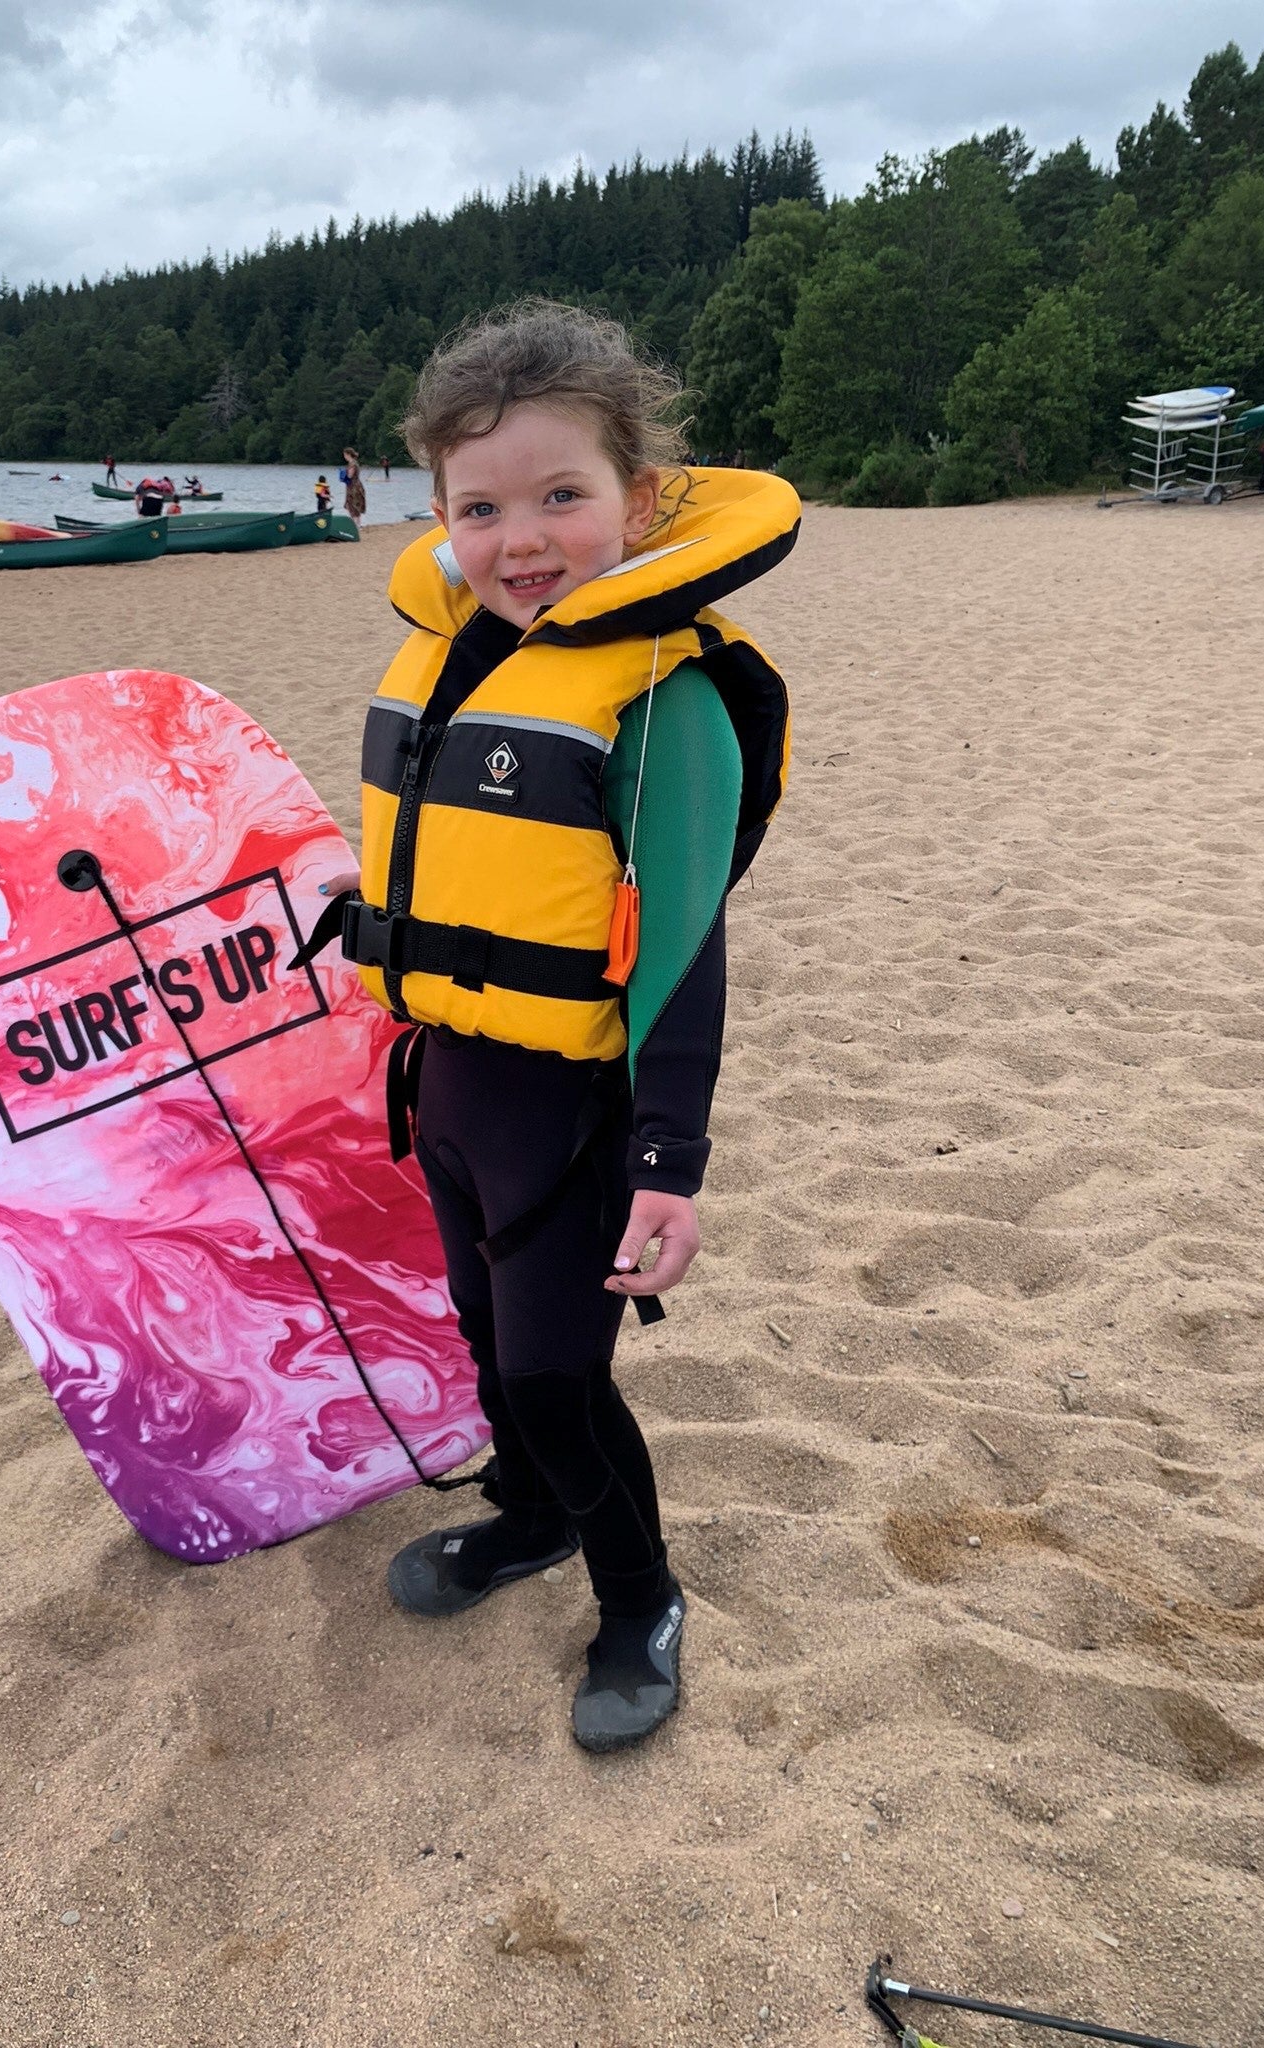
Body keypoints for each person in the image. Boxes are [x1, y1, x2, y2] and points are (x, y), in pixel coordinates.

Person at [314, 301, 796, 1751]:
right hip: (450, 1086)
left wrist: (672, 1160)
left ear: (641, 503)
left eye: (561, 498)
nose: (521, 540)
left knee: (553, 1373)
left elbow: (683, 956)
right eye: (482, 508)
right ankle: (528, 1520)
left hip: (574, 1114)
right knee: (481, 1338)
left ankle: (640, 1596)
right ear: (440, 513)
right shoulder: (460, 650)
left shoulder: (665, 696)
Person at [341, 447, 368, 528]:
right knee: (355, 504)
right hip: (355, 486)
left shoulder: (352, 463)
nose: (344, 457)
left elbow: (349, 475)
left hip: (354, 487)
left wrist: (343, 474)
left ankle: (355, 525)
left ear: (348, 454)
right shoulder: (354, 463)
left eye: (345, 455)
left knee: (353, 505)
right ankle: (358, 524)